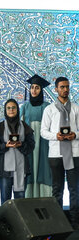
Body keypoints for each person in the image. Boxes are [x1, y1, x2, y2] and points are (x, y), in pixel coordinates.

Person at [41, 77, 79, 229]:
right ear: (56, 89)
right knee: (57, 189)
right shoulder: (49, 109)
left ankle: (75, 222)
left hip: (75, 153)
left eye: (67, 87)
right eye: (62, 87)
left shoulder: (76, 108)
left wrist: (75, 135)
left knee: (74, 189)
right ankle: (58, 223)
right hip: (56, 154)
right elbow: (43, 131)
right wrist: (55, 136)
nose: (65, 89)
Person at [0, 99, 35, 204]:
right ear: (5, 110)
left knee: (20, 200)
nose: (11, 110)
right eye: (8, 108)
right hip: (4, 170)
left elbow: (31, 146)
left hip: (21, 169)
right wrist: (5, 145)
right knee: (5, 199)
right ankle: (5, 221)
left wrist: (21, 145)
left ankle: (19, 220)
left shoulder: (25, 127)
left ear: (17, 109)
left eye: (13, 107)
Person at [21, 74, 52, 198]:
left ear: (41, 90)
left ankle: (44, 199)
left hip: (44, 142)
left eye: (37, 88)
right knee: (30, 166)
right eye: (32, 87)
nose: (34, 90)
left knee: (43, 167)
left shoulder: (47, 106)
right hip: (29, 142)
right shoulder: (25, 107)